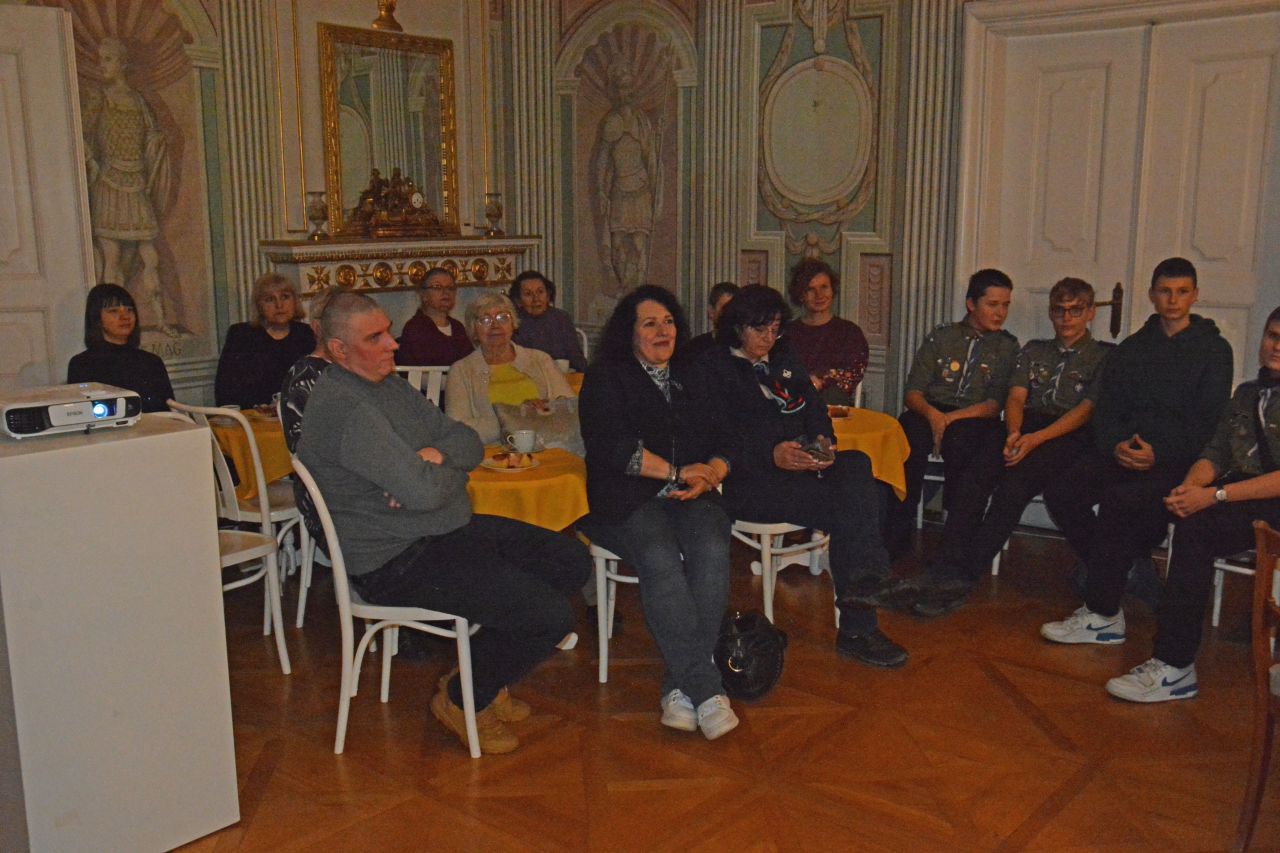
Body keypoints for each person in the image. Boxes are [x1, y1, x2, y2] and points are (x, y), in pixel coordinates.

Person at [296, 291, 591, 754]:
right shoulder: (346, 408)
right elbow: (428, 491)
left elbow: (464, 439)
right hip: (392, 559)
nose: (393, 344)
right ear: (338, 350)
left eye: (388, 332)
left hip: (438, 529)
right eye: (375, 338)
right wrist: (437, 477)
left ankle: (479, 674)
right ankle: (462, 699)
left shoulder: (386, 385)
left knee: (569, 560)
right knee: (549, 616)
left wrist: (434, 460)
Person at [701, 285, 908, 667]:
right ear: (738, 327)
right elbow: (714, 438)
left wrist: (822, 441)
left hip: (801, 467)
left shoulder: (783, 354)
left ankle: (866, 591)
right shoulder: (713, 367)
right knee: (853, 506)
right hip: (751, 482)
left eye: (775, 328)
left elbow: (814, 406)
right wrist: (771, 454)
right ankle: (861, 621)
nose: (769, 338)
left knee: (857, 464)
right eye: (760, 329)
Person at [1041, 257, 1234, 651]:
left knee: (1122, 501)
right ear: (1152, 295)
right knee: (1062, 491)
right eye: (1165, 291)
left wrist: (1158, 455)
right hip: (1125, 452)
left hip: (1177, 462)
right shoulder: (1132, 348)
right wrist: (1116, 444)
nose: (1173, 300)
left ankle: (1103, 613)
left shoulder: (1214, 350)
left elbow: (1209, 422)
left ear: (1195, 295)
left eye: (1182, 292)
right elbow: (1107, 408)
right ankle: (1123, 567)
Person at [1093, 308, 1280, 702]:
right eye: (1273, 336)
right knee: (1131, 497)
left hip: (1271, 498)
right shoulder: (1248, 393)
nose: (1276, 346)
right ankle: (1101, 613)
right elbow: (1216, 451)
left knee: (1197, 529)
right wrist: (1188, 488)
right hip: (1241, 491)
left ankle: (1174, 665)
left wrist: (1213, 496)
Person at [578, 285, 738, 739]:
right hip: (627, 497)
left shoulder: (694, 373)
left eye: (668, 321)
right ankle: (706, 690)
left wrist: (712, 470)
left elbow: (729, 435)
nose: (662, 331)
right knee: (659, 554)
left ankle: (679, 686)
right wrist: (674, 471)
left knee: (712, 548)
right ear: (628, 333)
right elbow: (612, 448)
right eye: (649, 323)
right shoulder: (606, 377)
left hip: (693, 493)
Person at [907, 278, 1112, 616]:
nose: (1066, 318)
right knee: (976, 475)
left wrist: (1034, 440)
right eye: (1059, 310)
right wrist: (1015, 433)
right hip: (1024, 424)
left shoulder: (1103, 356)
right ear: (1050, 313)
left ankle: (965, 574)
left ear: (1090, 313)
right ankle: (946, 563)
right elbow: (1016, 397)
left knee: (1013, 488)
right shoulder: (1033, 350)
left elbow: (1085, 411)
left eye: (1076, 311)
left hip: (1066, 434)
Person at [888, 269, 1020, 553]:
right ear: (971, 304)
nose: (1000, 313)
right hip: (930, 409)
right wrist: (934, 415)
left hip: (973, 416)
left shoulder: (1007, 346)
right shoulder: (942, 336)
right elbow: (913, 392)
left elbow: (994, 404)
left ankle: (955, 539)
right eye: (992, 304)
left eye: (1005, 305)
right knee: (906, 435)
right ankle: (896, 533)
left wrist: (949, 420)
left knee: (967, 444)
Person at [81, 38, 174, 336]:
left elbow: (151, 136)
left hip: (136, 184)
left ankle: (161, 319)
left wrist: (157, 144)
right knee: (112, 260)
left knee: (151, 258)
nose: (102, 65)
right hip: (109, 185)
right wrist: (93, 163)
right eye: (100, 59)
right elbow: (83, 136)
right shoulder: (100, 98)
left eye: (108, 59)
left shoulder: (138, 101)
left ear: (122, 63)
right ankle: (110, 331)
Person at [444, 292, 574, 445]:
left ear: (513, 324)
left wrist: (544, 408)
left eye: (502, 318)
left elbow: (569, 408)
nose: (495, 326)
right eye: (485, 320)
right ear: (474, 330)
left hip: (546, 446)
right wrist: (517, 416)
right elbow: (458, 430)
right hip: (494, 451)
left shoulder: (540, 359)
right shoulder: (461, 371)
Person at [66, 282, 174, 412]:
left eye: (129, 310)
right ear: (97, 319)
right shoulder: (82, 364)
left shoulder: (152, 362)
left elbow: (169, 410)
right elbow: (81, 414)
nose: (125, 316)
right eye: (113, 311)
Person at [215, 273, 316, 408]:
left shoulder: (306, 334)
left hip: (298, 412)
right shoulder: (241, 336)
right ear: (259, 306)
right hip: (252, 415)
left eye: (285, 297)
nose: (279, 305)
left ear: (295, 301)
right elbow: (225, 390)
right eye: (270, 299)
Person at [784, 259, 869, 407]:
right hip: (792, 397)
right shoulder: (787, 332)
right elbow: (781, 370)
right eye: (810, 289)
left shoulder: (850, 332)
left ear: (832, 290)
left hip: (831, 403)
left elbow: (852, 373)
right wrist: (801, 380)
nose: (819, 295)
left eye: (824, 287)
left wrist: (820, 381)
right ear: (801, 295)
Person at [509, 271, 587, 371]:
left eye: (540, 292)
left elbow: (576, 357)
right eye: (528, 294)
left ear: (548, 295)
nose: (536, 299)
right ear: (518, 300)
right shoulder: (514, 322)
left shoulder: (561, 318)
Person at [395, 268, 473, 367]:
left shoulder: (458, 327)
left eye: (450, 288)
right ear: (424, 295)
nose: (445, 292)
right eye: (437, 287)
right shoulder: (415, 328)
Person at [682, 281, 738, 362]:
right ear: (711, 311)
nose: (730, 313)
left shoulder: (746, 349)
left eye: (734, 309)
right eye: (725, 308)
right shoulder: (693, 349)